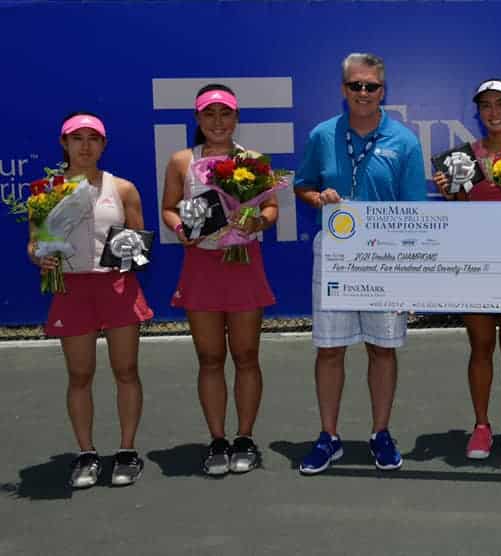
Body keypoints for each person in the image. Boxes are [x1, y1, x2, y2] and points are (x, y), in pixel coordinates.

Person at [293, 53, 427, 474]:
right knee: (330, 349)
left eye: (371, 86)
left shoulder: (403, 140)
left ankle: (380, 433)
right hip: (334, 253)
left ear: (383, 91)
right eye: (356, 86)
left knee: (382, 350)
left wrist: (411, 269)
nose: (364, 93)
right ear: (343, 89)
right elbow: (303, 186)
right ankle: (328, 436)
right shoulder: (321, 135)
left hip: (386, 256)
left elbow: (414, 209)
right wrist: (320, 199)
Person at [28, 113, 154, 488]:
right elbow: (34, 242)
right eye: (76, 138)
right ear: (64, 143)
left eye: (93, 139)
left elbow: (138, 239)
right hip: (71, 290)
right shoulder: (45, 190)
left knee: (126, 370)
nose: (85, 146)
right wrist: (40, 257)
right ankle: (86, 454)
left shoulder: (124, 188)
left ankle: (127, 451)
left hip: (116, 288)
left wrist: (129, 256)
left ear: (103, 145)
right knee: (80, 375)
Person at [161, 84, 278, 476]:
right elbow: (168, 208)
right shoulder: (180, 161)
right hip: (201, 266)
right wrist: (180, 228)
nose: (217, 122)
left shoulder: (255, 160)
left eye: (224, 113)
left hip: (245, 263)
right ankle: (217, 440)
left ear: (236, 118)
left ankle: (244, 437)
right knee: (209, 358)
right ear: (197, 119)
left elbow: (271, 206)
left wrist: (259, 220)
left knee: (246, 356)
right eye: (209, 114)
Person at [433, 78, 501, 460]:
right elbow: (459, 207)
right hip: (474, 264)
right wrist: (449, 191)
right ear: (478, 112)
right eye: (486, 105)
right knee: (481, 346)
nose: (494, 112)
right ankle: (480, 426)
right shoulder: (463, 157)